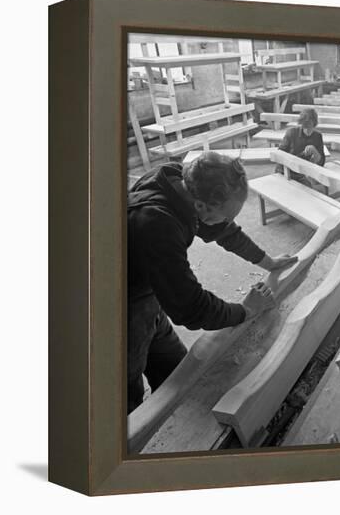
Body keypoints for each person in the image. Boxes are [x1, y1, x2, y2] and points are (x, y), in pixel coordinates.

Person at [127, 152, 297, 413]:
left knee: (177, 371)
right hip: (118, 307)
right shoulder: (157, 224)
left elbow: (225, 231)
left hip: (149, 293)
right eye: (224, 215)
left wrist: (268, 262)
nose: (227, 222)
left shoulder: (180, 181)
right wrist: (246, 310)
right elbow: (191, 308)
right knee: (125, 396)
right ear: (201, 207)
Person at [276, 108, 325, 185]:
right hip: (285, 171)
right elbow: (279, 155)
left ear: (314, 123)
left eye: (309, 124)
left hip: (301, 173)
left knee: (310, 188)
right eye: (304, 124)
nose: (307, 129)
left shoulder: (318, 136)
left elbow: (321, 162)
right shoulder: (291, 133)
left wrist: (314, 151)